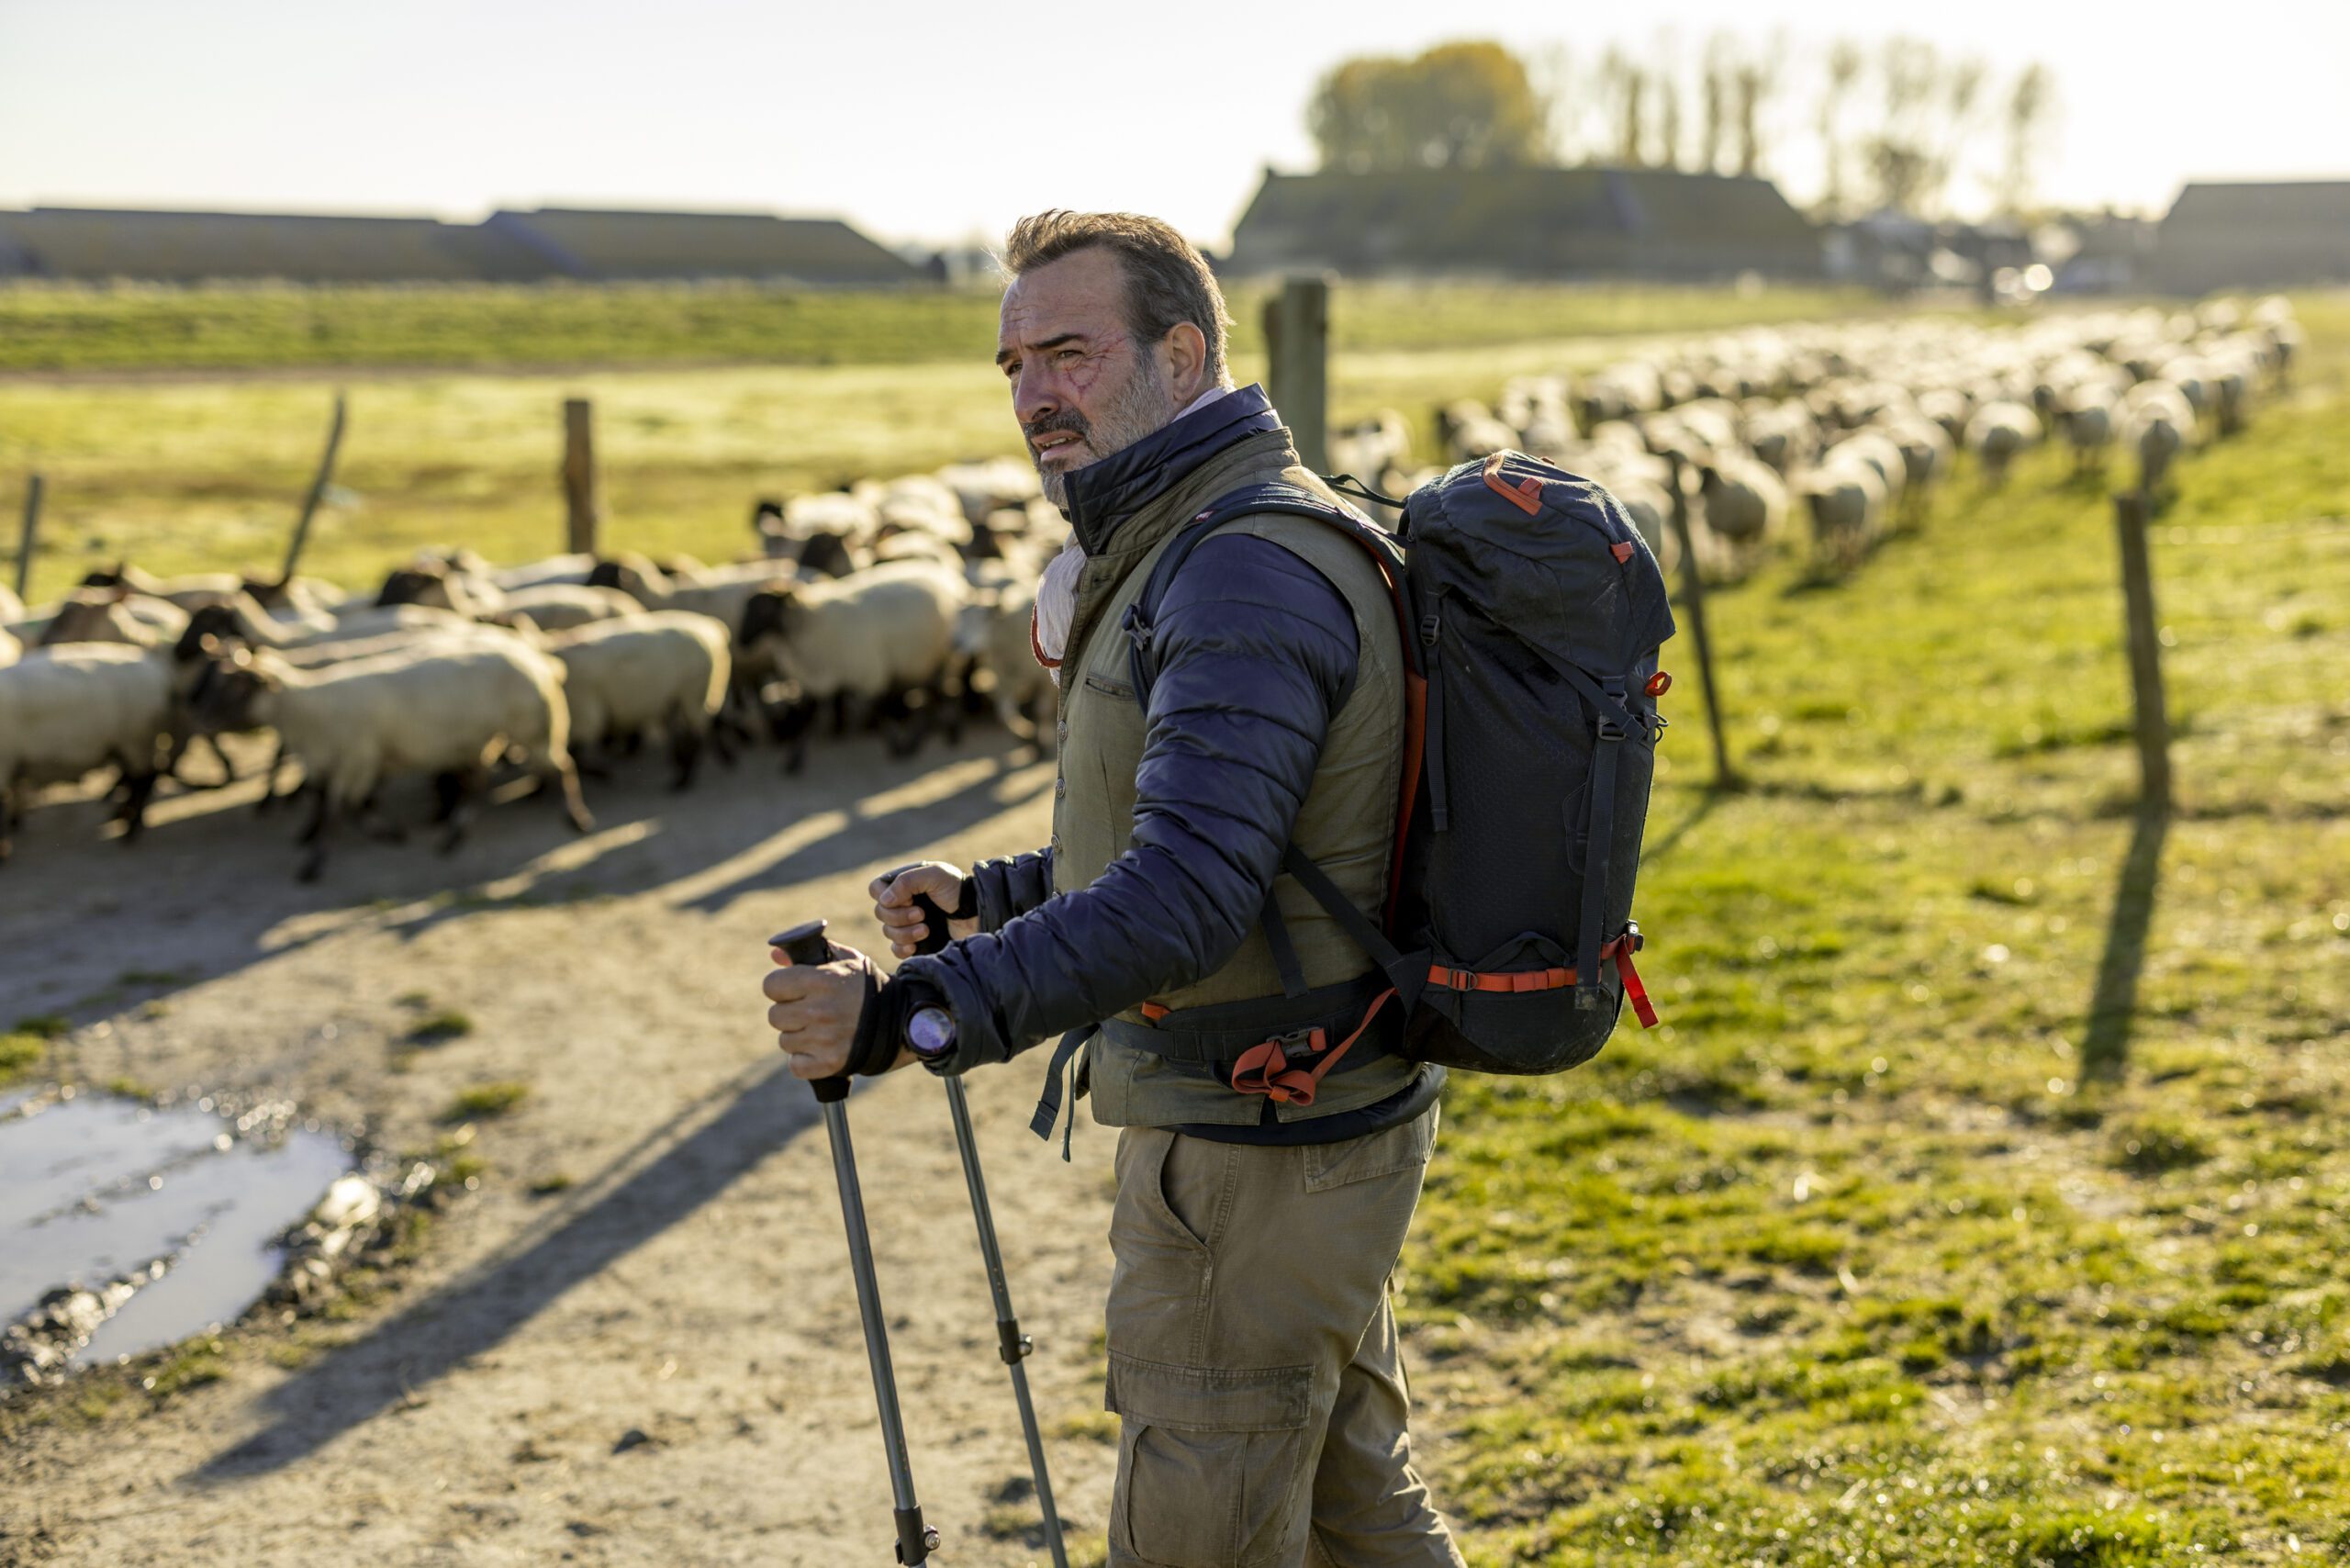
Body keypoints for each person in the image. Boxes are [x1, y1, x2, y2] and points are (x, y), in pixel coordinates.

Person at [761, 209, 1464, 1568]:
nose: (1035, 393)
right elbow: (1239, 845)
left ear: (1184, 352)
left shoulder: (1240, 565)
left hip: (1255, 1151)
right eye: (1014, 362)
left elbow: (1191, 896)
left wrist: (911, 1008)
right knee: (1353, 1514)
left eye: (1071, 352)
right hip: (1303, 1115)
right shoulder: (1201, 538)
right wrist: (1002, 897)